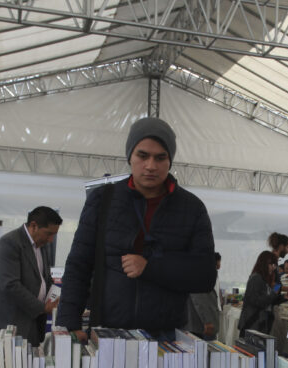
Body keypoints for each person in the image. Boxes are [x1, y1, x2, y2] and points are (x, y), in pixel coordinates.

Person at [58, 117, 216, 338]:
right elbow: (78, 264)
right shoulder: (102, 200)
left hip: (167, 336)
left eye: (160, 158)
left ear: (170, 161)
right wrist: (69, 323)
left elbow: (205, 276)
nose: (151, 166)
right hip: (107, 331)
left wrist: (151, 267)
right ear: (130, 156)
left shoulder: (192, 208)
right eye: (143, 155)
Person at [0, 206, 61, 344]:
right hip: (7, 326)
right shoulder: (8, 244)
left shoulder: (42, 246)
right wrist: (43, 308)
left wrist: (55, 296)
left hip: (32, 323)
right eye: (48, 233)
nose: (51, 240)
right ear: (34, 226)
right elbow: (11, 285)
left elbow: (44, 279)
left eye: (54, 235)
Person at [239, 251, 286, 335]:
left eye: (275, 265)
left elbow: (269, 300)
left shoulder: (265, 279)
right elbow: (258, 302)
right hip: (253, 324)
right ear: (264, 264)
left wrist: (284, 298)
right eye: (271, 265)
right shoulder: (256, 278)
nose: (273, 268)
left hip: (261, 323)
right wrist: (274, 292)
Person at [187, 252, 222, 340]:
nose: (219, 266)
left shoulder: (194, 272)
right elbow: (199, 299)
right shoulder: (202, 274)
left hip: (197, 324)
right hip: (202, 326)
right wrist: (208, 321)